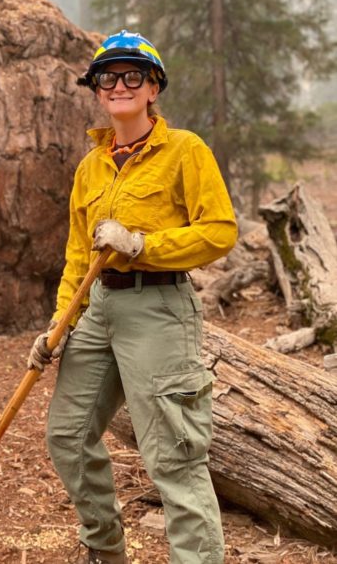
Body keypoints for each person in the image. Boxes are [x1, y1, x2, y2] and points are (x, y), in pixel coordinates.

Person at [28, 29, 238, 564]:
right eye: (108, 76)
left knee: (174, 456)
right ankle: (105, 549)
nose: (119, 84)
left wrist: (142, 244)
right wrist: (59, 325)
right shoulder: (89, 168)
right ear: (97, 90)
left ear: (153, 88)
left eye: (132, 75)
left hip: (159, 310)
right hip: (98, 310)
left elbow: (219, 231)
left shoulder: (185, 151)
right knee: (68, 437)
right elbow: (78, 255)